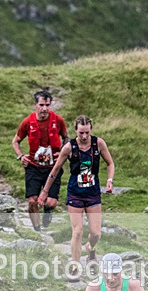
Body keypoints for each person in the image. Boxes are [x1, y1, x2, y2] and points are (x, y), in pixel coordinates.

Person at [39, 115, 114, 280]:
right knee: (78, 231)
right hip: (75, 195)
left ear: (90, 130)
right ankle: (74, 268)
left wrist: (109, 180)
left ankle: (91, 249)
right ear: (76, 131)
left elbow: (110, 163)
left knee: (96, 234)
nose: (85, 136)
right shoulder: (69, 147)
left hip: (93, 194)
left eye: (87, 132)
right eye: (81, 133)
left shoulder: (98, 144)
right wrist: (45, 191)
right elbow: (56, 169)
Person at [12, 90, 68, 232]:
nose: (45, 109)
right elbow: (16, 141)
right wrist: (20, 156)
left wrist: (62, 152)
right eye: (41, 105)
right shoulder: (27, 122)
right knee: (32, 201)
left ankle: (48, 211)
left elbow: (66, 138)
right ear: (35, 105)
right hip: (33, 167)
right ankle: (37, 230)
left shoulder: (58, 120)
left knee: (51, 202)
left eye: (47, 105)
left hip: (53, 167)